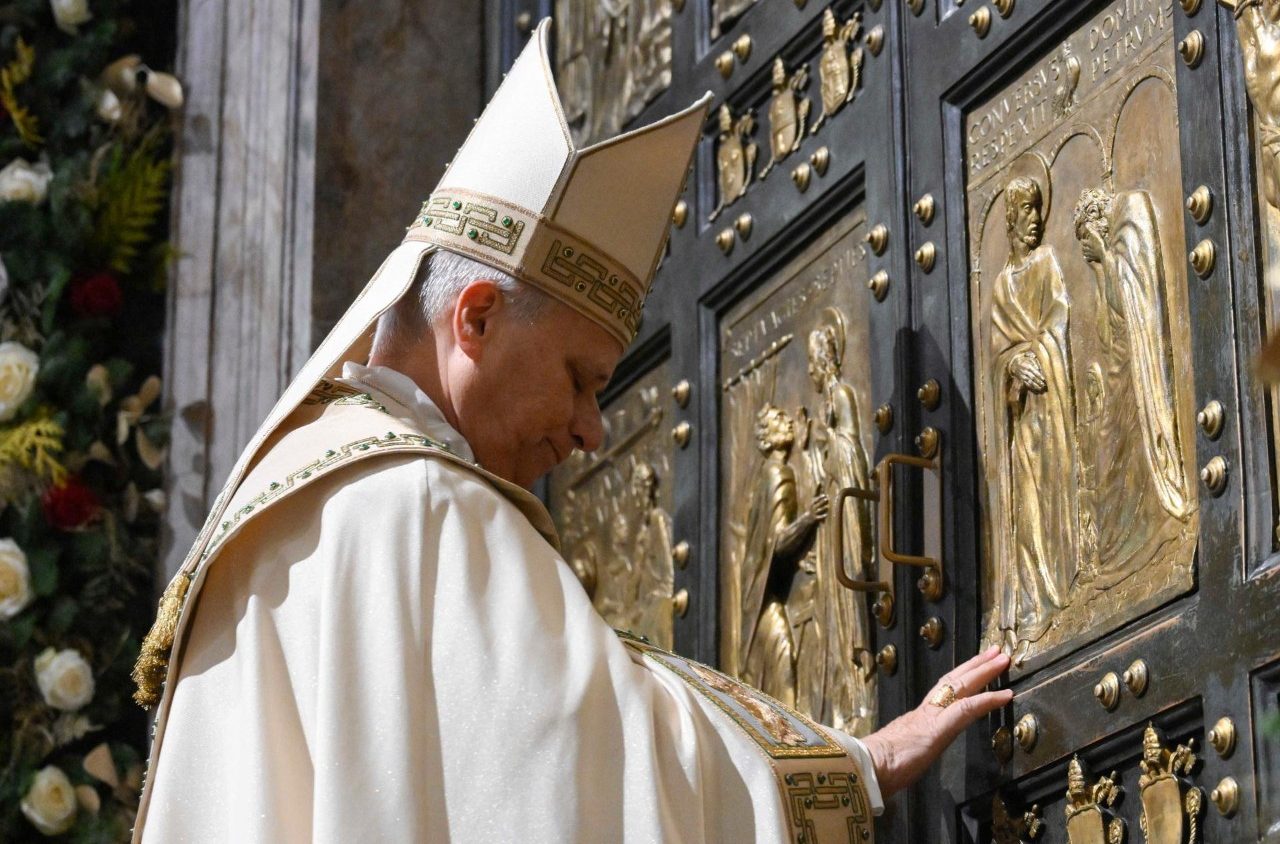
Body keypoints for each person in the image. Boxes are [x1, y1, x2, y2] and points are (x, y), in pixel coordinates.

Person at [131, 21, 1012, 842]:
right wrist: (859, 766)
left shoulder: (284, 506)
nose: (591, 429)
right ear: (476, 318)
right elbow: (592, 758)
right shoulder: (425, 505)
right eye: (580, 379)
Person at [986, 176, 1079, 664]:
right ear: (1010, 217)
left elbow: (1058, 322)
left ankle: (1061, 588)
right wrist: (1011, 367)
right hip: (1021, 417)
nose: (1036, 219)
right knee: (1026, 512)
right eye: (1025, 210)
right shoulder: (1002, 286)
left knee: (1051, 494)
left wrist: (1038, 354)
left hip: (1051, 405)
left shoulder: (1046, 263)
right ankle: (1031, 608)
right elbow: (996, 358)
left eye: (1038, 209)